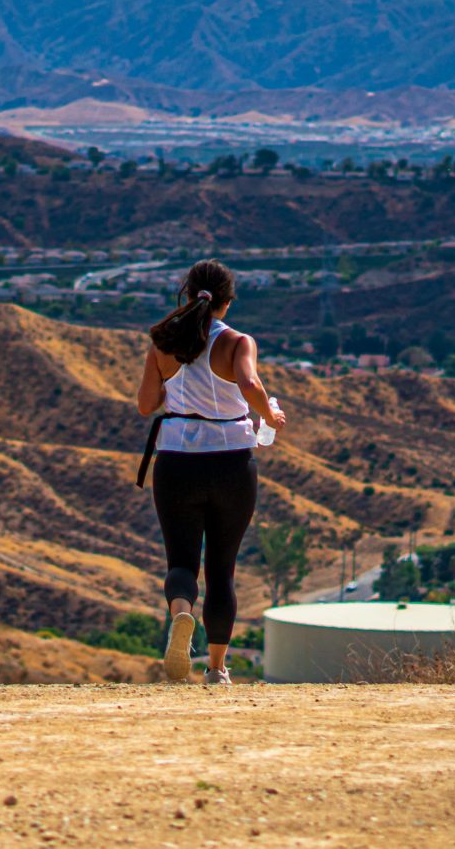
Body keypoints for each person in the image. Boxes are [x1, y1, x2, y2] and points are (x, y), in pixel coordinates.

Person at [132, 259, 285, 684]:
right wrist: (269, 416)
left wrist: (174, 383)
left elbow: (146, 406)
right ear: (227, 301)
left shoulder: (164, 342)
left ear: (188, 294)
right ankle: (217, 670)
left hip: (177, 460)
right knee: (223, 569)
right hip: (232, 462)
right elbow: (251, 386)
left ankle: (182, 615)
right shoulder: (237, 342)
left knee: (181, 562)